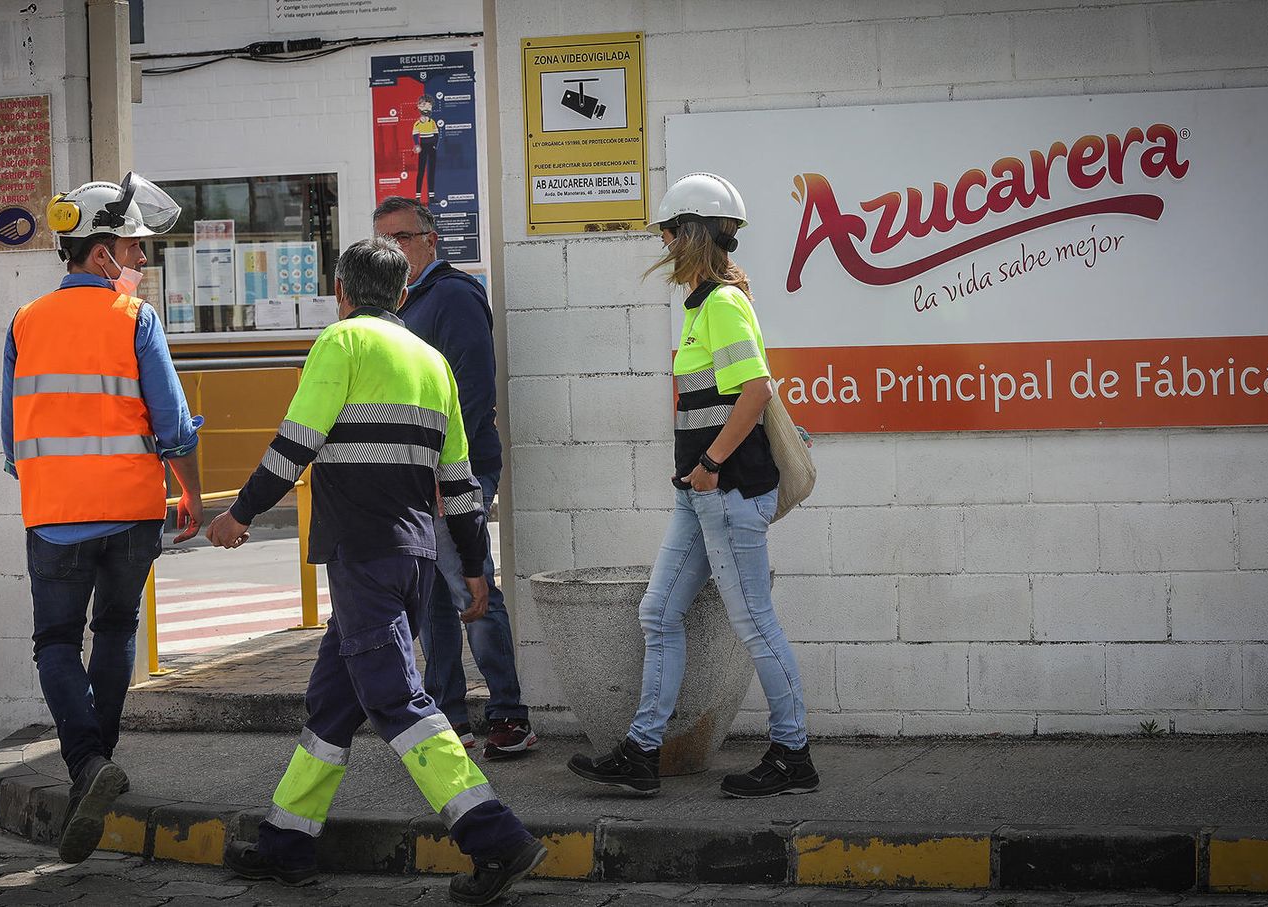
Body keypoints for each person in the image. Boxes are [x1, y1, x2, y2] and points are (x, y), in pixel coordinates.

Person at [207, 237, 545, 904]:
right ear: (401, 295)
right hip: (415, 559)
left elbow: (294, 444)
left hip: (361, 555)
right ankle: (286, 841)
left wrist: (240, 513)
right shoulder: (432, 362)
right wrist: (476, 567)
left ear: (340, 291)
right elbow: (461, 484)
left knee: (396, 699)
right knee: (333, 705)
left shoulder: (342, 343)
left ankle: (495, 835)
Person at [567, 172, 818, 799]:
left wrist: (708, 464)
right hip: (700, 493)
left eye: (672, 231)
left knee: (755, 622)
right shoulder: (708, 303)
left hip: (725, 491)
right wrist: (698, 476)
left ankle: (794, 756)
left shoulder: (724, 305)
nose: (666, 243)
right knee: (659, 612)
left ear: (695, 233)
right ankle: (641, 754)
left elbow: (755, 392)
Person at [1, 172, 204, 863]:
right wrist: (193, 493)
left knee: (56, 642)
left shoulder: (25, 321)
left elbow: (10, 440)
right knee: (114, 631)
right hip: (132, 515)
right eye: (134, 249)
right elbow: (174, 428)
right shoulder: (134, 319)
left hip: (53, 516)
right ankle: (97, 765)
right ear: (99, 253)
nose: (143, 261)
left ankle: (87, 766)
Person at [373, 196, 535, 761]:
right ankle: (448, 716)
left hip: (455, 471)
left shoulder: (454, 297)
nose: (393, 249)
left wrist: (448, 479)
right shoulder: (400, 306)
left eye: (402, 237)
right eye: (382, 241)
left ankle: (509, 715)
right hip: (412, 475)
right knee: (434, 600)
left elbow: (471, 391)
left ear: (431, 240)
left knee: (470, 583)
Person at [411, 95, 439, 204]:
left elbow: (436, 134)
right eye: (425, 107)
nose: (427, 110)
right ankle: (418, 197)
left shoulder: (432, 122)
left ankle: (431, 196)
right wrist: (417, 145)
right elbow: (414, 135)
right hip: (423, 147)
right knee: (421, 171)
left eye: (429, 107)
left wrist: (434, 145)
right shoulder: (417, 123)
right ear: (419, 108)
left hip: (431, 146)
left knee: (431, 170)